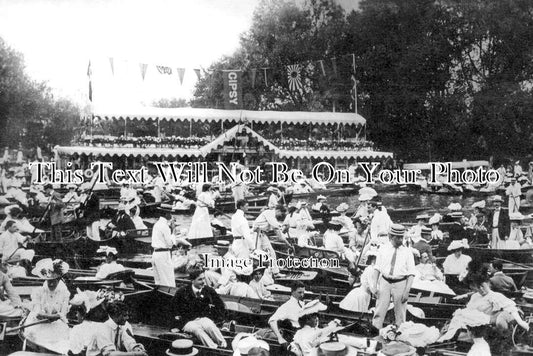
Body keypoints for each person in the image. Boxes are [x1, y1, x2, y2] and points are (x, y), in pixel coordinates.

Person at [372, 224, 416, 329]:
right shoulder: (383, 249)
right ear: (391, 237)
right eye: (398, 237)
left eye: (402, 237)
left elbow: (411, 273)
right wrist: (374, 286)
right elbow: (377, 268)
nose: (401, 240)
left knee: (400, 313)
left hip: (400, 282)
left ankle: (399, 335)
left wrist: (407, 291)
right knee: (379, 309)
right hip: (385, 281)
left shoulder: (407, 252)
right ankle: (375, 331)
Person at [171, 268, 227, 349]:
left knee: (210, 326)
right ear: (192, 281)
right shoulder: (182, 292)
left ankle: (224, 345)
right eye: (200, 279)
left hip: (203, 319)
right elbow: (173, 310)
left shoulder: (209, 291)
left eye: (204, 278)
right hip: (187, 321)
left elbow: (220, 306)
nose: (203, 281)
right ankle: (213, 348)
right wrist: (175, 326)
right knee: (197, 330)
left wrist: (216, 319)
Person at [25, 259, 71, 343]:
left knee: (61, 336)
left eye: (53, 281)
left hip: (56, 324)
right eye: (49, 281)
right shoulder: (38, 292)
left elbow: (63, 313)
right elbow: (38, 313)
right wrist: (53, 316)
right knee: (38, 336)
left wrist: (54, 317)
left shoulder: (64, 293)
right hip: (39, 323)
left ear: (58, 280)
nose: (51, 284)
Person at [252, 205, 288, 277]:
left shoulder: (273, 217)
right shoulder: (269, 213)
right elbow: (276, 226)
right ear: (278, 210)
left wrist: (286, 242)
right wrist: (284, 225)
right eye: (281, 214)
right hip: (257, 234)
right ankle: (255, 272)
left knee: (272, 253)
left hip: (263, 234)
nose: (281, 216)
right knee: (257, 253)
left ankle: (276, 273)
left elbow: (278, 233)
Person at [268, 281, 306, 345]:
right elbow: (271, 320)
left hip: (303, 332)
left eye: (303, 292)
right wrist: (279, 337)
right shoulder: (287, 306)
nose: (302, 295)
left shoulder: (301, 304)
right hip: (294, 335)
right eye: (299, 292)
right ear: (292, 292)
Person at [151, 211, 177, 287]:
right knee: (168, 280)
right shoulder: (165, 226)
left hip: (155, 253)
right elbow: (170, 244)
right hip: (163, 254)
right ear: (166, 214)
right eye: (170, 213)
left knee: (158, 280)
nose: (171, 215)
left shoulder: (157, 224)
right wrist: (173, 231)